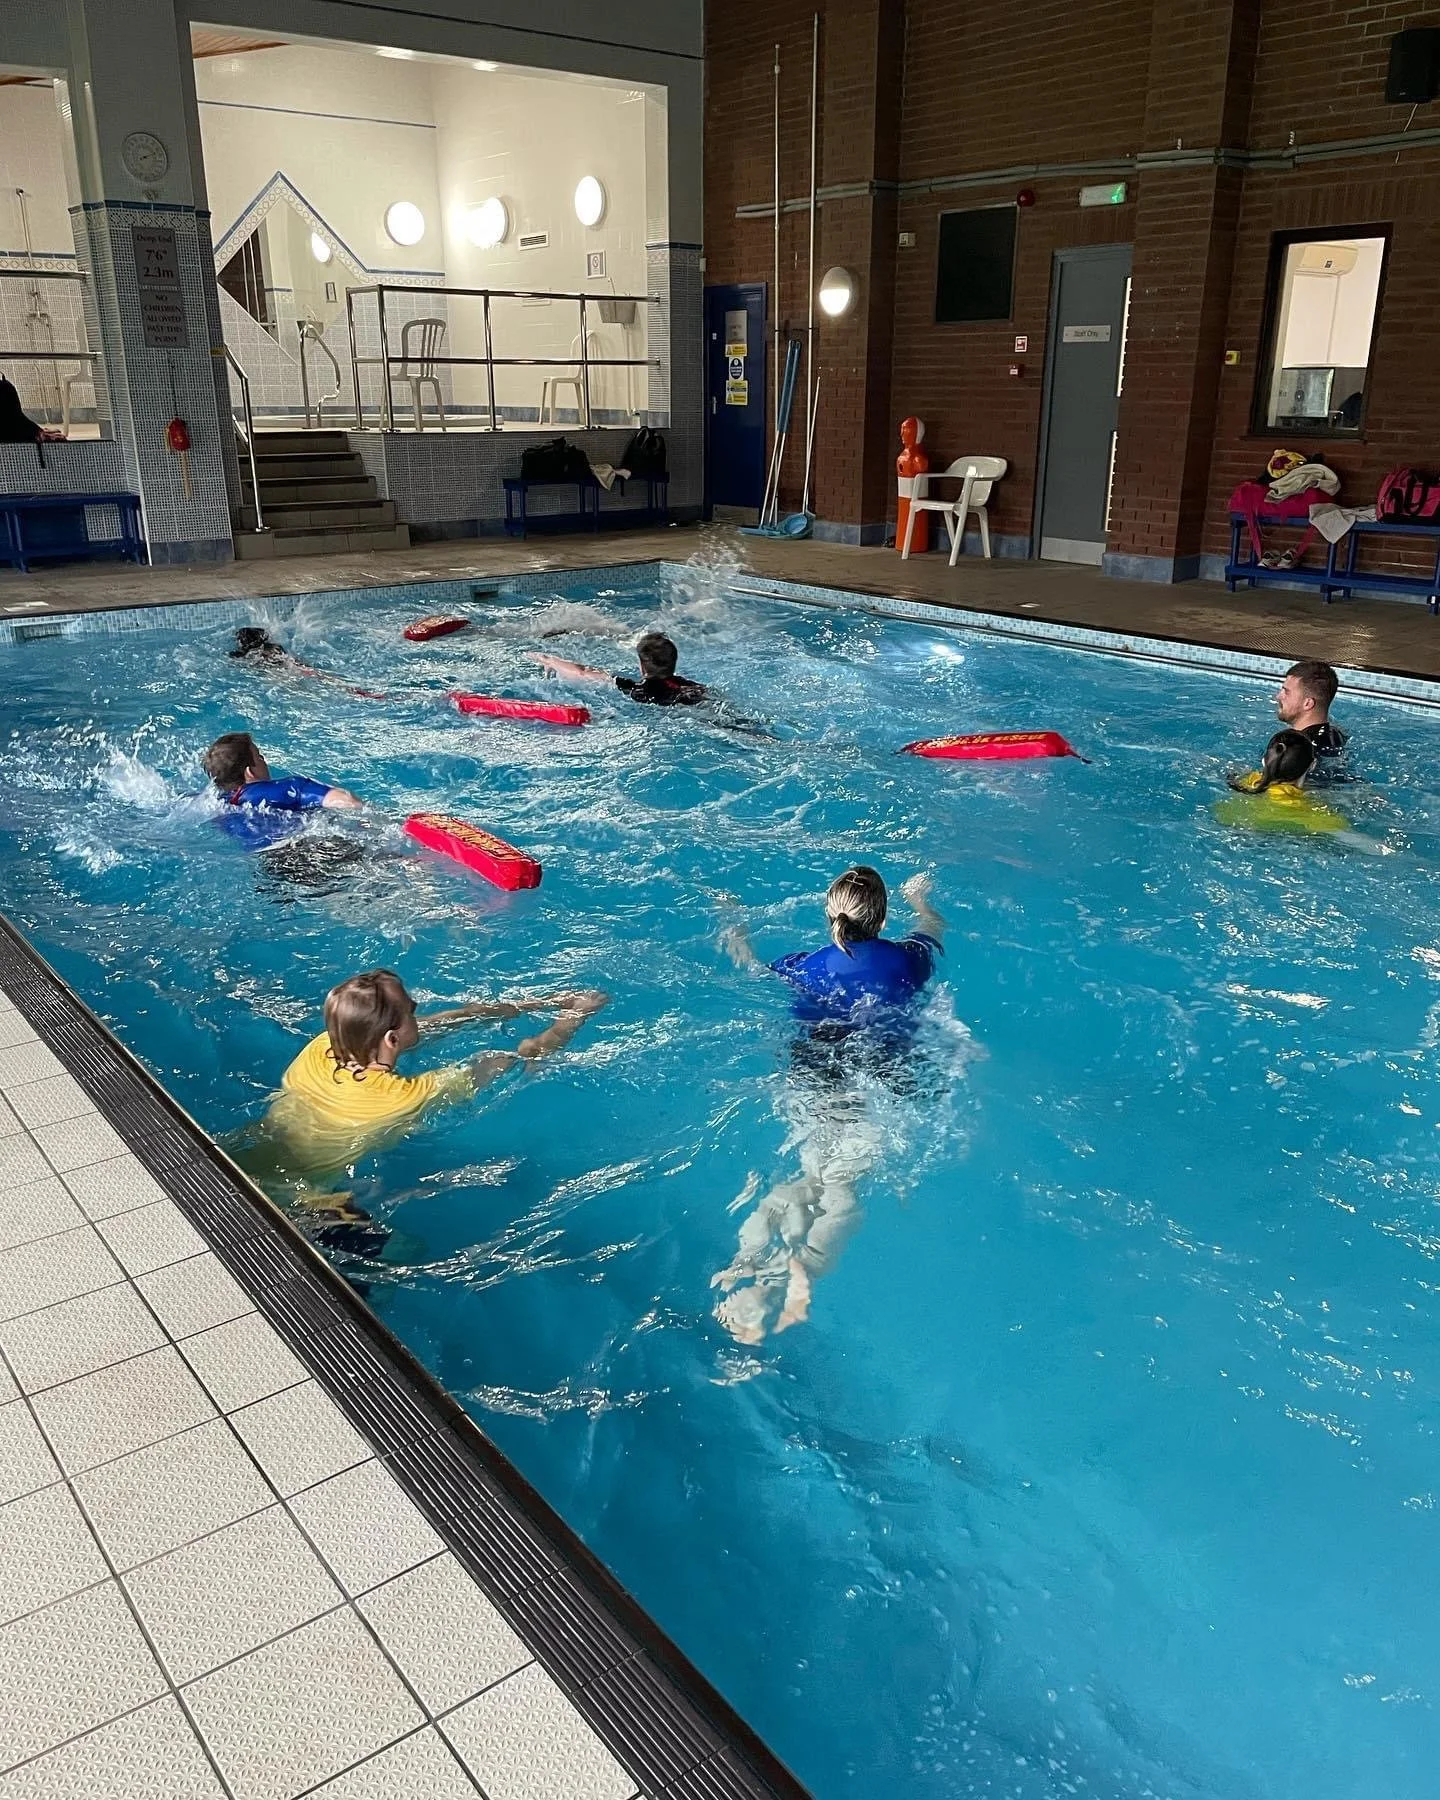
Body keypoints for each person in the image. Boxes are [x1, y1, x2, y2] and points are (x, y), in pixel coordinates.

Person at [714, 867, 945, 1343]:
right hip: (878, 1080)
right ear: (881, 919)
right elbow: (933, 930)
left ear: (830, 916)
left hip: (812, 1076)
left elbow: (750, 966)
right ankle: (789, 1280)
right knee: (841, 1189)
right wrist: (920, 901)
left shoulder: (805, 965)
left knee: (809, 1175)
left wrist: (731, 922)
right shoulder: (908, 960)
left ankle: (746, 1261)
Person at [243, 969, 608, 1205]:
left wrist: (526, 1005)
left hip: (246, 1165)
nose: (420, 1015)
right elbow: (504, 1063)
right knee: (405, 1253)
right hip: (298, 1201)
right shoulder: (406, 1097)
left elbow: (426, 1030)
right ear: (391, 1037)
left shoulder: (322, 1044)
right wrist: (568, 1022)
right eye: (412, 1010)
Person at [203, 731, 362, 848]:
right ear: (250, 772)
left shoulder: (218, 806)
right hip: (310, 851)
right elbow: (349, 803)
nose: (264, 762)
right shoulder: (290, 788)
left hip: (271, 868)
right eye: (259, 757)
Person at [529, 631, 707, 707]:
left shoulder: (637, 689)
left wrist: (549, 660)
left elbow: (581, 672)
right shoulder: (693, 686)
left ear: (641, 666)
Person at [1274, 658, 1347, 760]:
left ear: (1308, 703)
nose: (1279, 696)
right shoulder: (1337, 735)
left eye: (1286, 692)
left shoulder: (1293, 749)